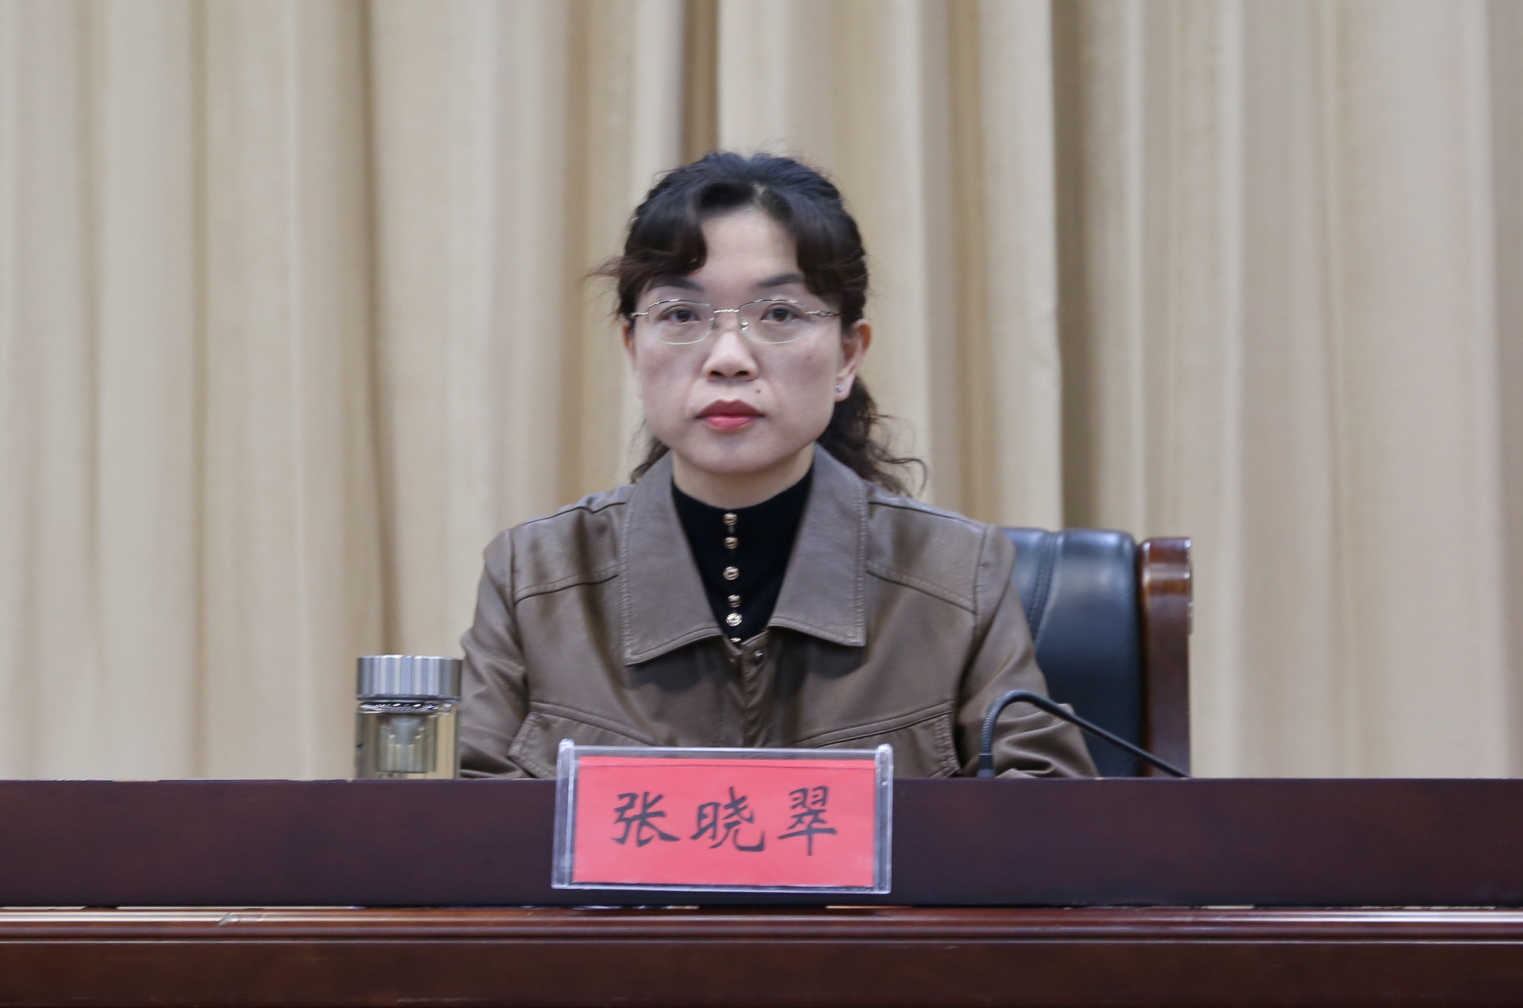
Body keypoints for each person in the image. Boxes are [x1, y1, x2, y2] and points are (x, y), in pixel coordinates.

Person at [458, 151, 1095, 778]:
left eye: (780, 315)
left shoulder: (957, 574)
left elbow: (1050, 820)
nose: (728, 358)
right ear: (633, 347)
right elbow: (459, 825)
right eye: (681, 315)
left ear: (848, 355)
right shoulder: (533, 579)